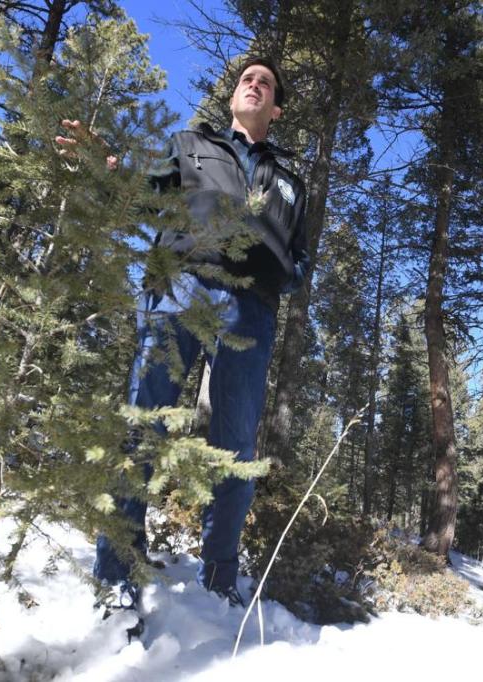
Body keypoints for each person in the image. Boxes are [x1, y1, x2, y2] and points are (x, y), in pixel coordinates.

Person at [59, 56, 307, 627]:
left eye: (266, 82)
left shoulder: (291, 181)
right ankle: (118, 571)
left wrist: (282, 274)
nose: (254, 83)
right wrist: (104, 163)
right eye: (248, 78)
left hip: (251, 311)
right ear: (233, 98)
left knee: (236, 446)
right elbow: (142, 190)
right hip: (179, 287)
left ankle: (220, 575)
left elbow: (301, 253)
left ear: (277, 106)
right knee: (143, 423)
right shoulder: (192, 145)